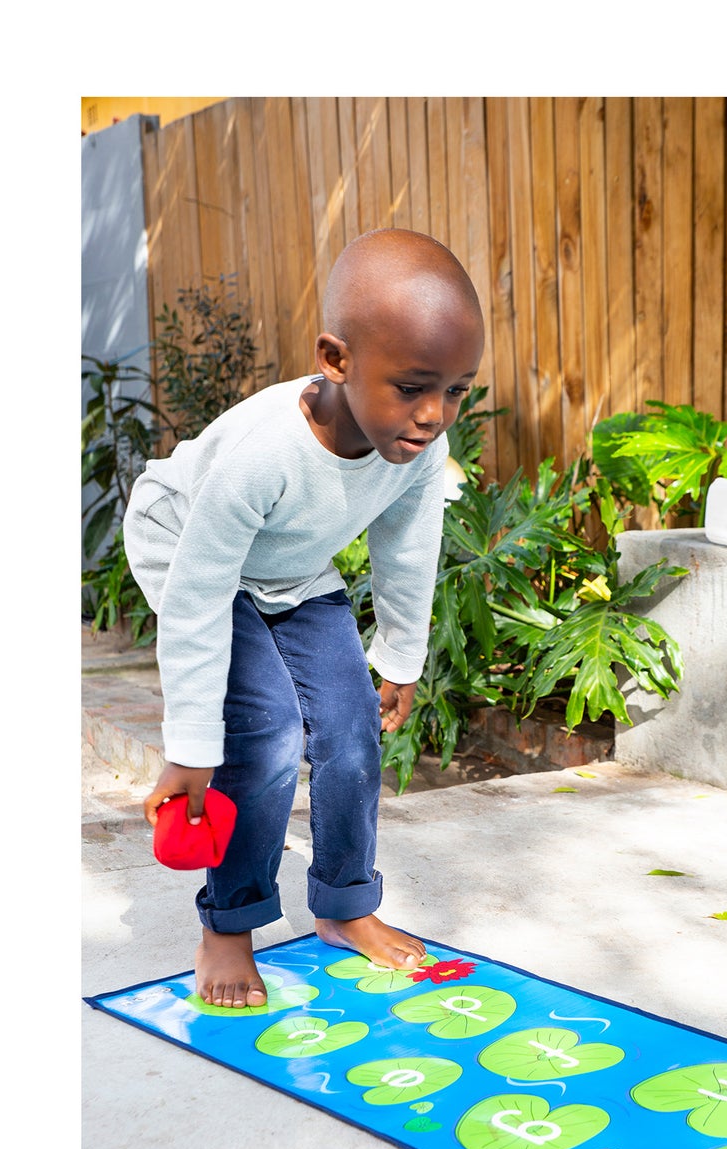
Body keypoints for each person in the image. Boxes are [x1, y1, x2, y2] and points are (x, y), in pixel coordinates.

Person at [123, 228, 486, 1010]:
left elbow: (407, 545)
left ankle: (344, 903)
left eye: (456, 389)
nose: (432, 415)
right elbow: (196, 597)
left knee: (352, 724)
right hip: (189, 549)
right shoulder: (263, 452)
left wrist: (399, 656)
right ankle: (229, 923)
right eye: (414, 386)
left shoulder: (418, 444)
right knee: (267, 729)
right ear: (336, 358)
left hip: (287, 564)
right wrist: (190, 746)